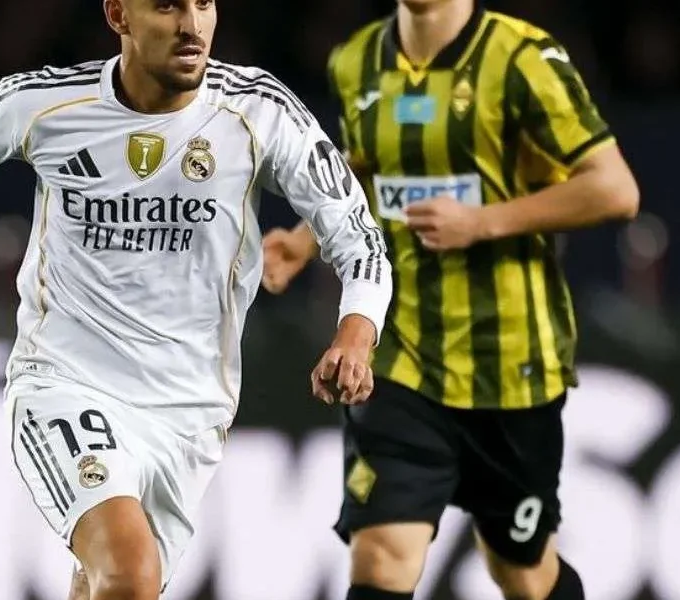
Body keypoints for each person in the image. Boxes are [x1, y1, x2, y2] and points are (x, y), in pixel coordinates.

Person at [0, 0, 394, 598]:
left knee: (106, 586)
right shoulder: (44, 105)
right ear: (118, 16)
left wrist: (355, 334)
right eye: (167, 6)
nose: (192, 25)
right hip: (65, 382)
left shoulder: (259, 111)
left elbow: (358, 237)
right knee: (130, 574)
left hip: (190, 412)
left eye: (204, 3)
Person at [261, 1, 640, 599]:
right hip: (400, 358)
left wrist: (484, 221)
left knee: (522, 571)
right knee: (381, 556)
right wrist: (306, 240)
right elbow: (367, 170)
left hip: (508, 366)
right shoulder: (356, 60)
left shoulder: (523, 58)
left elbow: (615, 189)